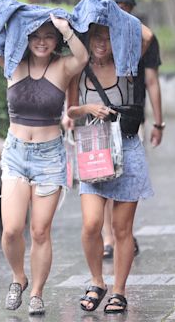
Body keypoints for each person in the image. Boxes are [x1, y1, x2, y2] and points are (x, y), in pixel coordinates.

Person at [0, 0, 89, 315]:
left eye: (49, 37)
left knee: (39, 230)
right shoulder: (12, 62)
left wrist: (66, 30)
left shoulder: (63, 67)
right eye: (37, 36)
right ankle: (18, 276)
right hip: (16, 154)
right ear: (26, 37)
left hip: (49, 156)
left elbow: (83, 57)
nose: (43, 42)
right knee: (10, 229)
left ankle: (36, 292)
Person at [66, 22, 154, 314]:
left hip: (127, 148)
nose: (101, 43)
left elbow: (148, 36)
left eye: (107, 37)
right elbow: (70, 111)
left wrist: (113, 14)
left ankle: (119, 290)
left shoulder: (127, 67)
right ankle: (97, 280)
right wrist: (89, 109)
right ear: (88, 41)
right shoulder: (79, 68)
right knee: (91, 224)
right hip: (94, 150)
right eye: (96, 38)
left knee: (121, 229)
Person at [101, 0, 164, 260]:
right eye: (114, 7)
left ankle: (122, 232)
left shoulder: (141, 38)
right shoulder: (97, 39)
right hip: (98, 117)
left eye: (125, 7)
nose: (119, 12)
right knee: (100, 176)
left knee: (125, 178)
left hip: (130, 118)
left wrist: (158, 122)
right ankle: (107, 238)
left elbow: (151, 81)